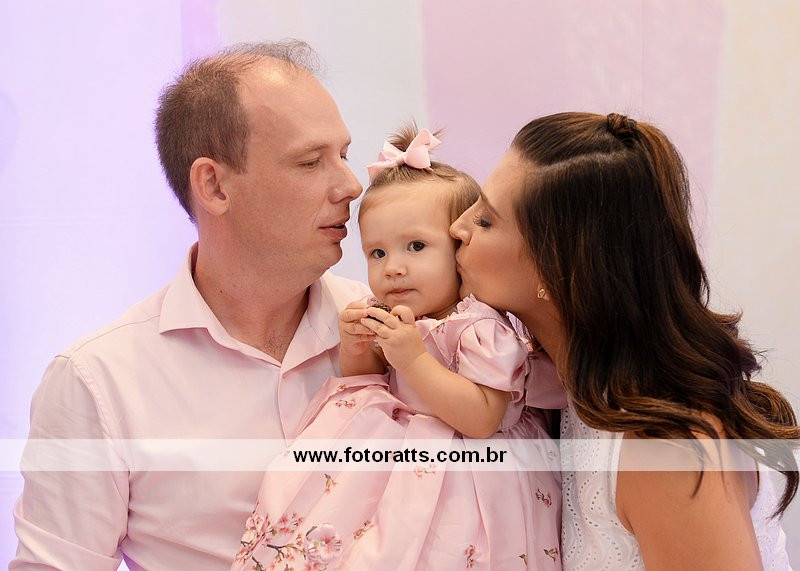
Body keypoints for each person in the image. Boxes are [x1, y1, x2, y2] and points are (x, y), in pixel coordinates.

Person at [12, 41, 369, 569]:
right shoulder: (99, 381)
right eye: (310, 162)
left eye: (344, 155)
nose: (351, 186)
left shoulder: (400, 330)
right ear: (213, 185)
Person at [450, 111, 799, 570]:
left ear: (558, 269)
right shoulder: (559, 389)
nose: (457, 227)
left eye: (486, 221)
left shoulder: (666, 449)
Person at [232, 126, 563, 570]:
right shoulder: (389, 313)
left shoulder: (477, 328)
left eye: (416, 246)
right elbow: (366, 382)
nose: (393, 268)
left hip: (468, 478)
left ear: (460, 250)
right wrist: (357, 345)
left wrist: (414, 358)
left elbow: (483, 418)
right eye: (377, 253)